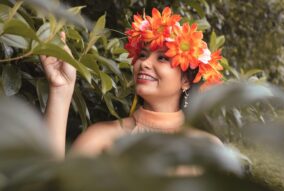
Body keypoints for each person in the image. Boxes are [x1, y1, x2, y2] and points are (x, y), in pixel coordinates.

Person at [41, 7, 223, 159]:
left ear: (185, 80)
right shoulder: (102, 137)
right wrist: (61, 90)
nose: (144, 63)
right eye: (142, 55)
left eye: (162, 58)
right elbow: (52, 188)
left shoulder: (207, 149)